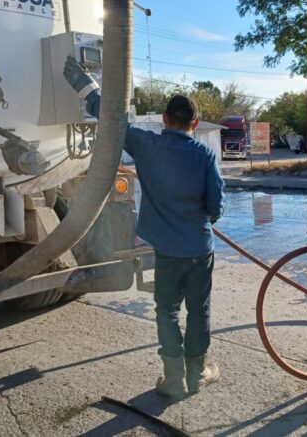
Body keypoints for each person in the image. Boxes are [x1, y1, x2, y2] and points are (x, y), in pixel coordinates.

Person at [63, 57, 225, 398]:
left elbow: (110, 119)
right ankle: (198, 374)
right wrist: (208, 217)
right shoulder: (205, 156)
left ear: (165, 120)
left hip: (165, 250)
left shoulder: (145, 144)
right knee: (200, 310)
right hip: (199, 249)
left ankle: (173, 378)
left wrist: (85, 86)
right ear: (195, 123)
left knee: (166, 309)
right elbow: (215, 205)